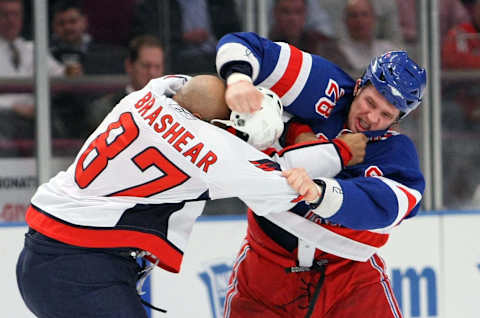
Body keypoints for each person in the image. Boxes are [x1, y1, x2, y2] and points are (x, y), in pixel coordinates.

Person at [16, 74, 368, 318]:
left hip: (53, 251)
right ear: (204, 121)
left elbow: (196, 88)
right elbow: (279, 186)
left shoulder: (151, 93)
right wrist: (340, 152)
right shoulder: (207, 147)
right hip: (78, 268)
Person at [216, 32, 426, 317]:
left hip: (350, 278)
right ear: (359, 86)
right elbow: (246, 45)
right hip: (266, 269)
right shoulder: (325, 87)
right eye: (370, 103)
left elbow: (390, 207)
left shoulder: (395, 152)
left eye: (386, 115)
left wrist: (320, 192)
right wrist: (239, 80)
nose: (372, 118)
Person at [0, 0, 64, 154]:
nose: (11, 20)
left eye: (15, 14)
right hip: (3, 120)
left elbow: (61, 77)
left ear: (22, 18)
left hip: (33, 119)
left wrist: (72, 72)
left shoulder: (33, 49)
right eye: (5, 15)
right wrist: (13, 107)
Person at [131, 0, 241, 74]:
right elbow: (149, 32)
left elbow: (234, 31)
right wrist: (182, 37)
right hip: (175, 57)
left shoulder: (221, 3)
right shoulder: (158, 4)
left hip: (215, 57)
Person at [87, 35, 165, 134]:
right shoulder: (104, 109)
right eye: (146, 66)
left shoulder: (172, 110)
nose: (152, 73)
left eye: (157, 67)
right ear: (129, 66)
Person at [50, 0, 126, 75]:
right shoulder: (46, 54)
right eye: (61, 23)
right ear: (53, 26)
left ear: (84, 22)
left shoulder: (104, 53)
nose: (67, 27)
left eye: (73, 21)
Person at [268, 0, 348, 69]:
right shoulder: (266, 46)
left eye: (298, 12)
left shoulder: (323, 45)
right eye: (286, 12)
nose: (292, 18)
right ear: (275, 13)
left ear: (305, 14)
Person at [337, 0, 399, 78]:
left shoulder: (389, 50)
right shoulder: (338, 51)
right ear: (345, 21)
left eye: (364, 15)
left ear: (374, 19)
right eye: (354, 16)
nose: (359, 21)